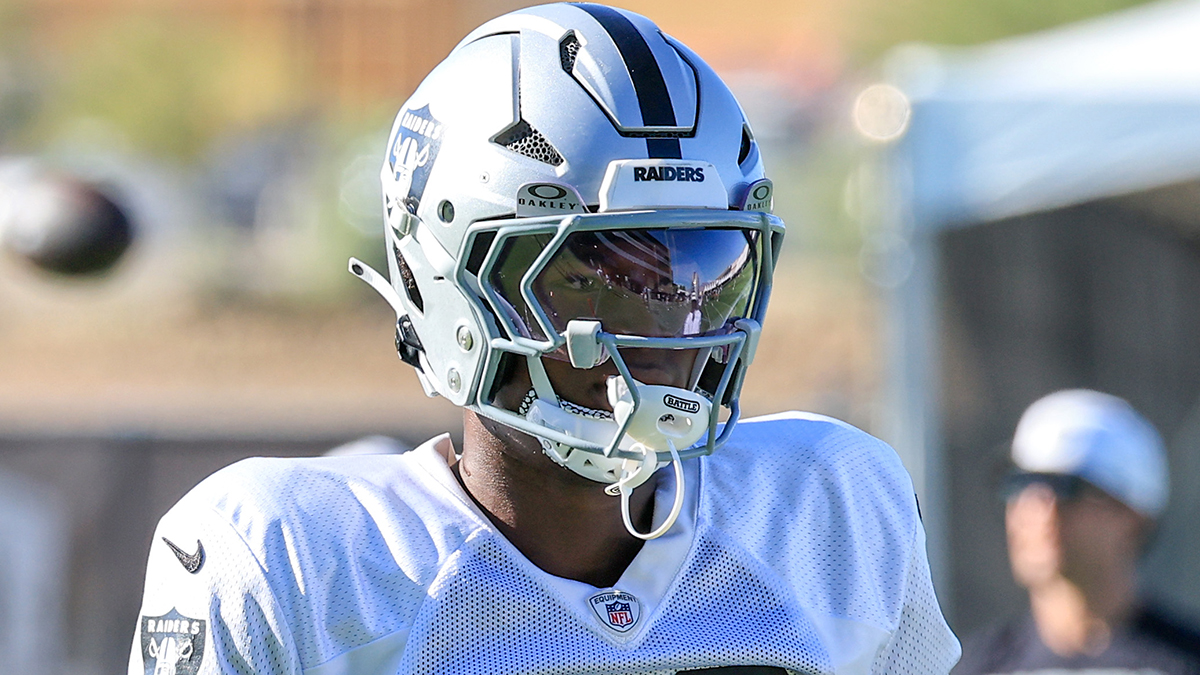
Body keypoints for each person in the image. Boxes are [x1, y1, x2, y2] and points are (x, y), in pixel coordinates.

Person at [128, 5, 960, 674]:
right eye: (592, 280)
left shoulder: (830, 513)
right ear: (442, 279)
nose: (664, 332)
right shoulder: (292, 562)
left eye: (704, 271)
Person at [955, 389, 1200, 675]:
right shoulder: (977, 666)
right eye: (1021, 483)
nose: (1039, 511)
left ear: (1132, 518)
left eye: (1065, 488)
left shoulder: (1186, 660)